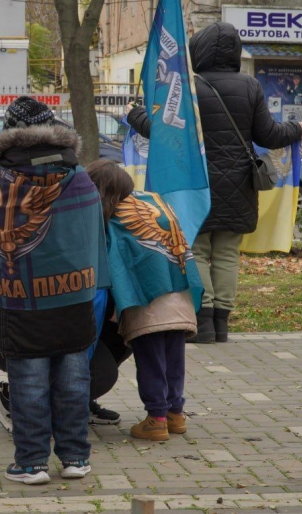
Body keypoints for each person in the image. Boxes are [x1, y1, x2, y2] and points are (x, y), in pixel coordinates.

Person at [127, 22, 302, 343]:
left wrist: (134, 115)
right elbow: (268, 135)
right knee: (226, 253)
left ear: (199, 50)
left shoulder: (186, 87)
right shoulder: (250, 87)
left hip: (193, 186)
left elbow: (161, 132)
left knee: (195, 250)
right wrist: (296, 128)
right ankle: (222, 324)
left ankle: (204, 321)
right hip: (239, 187)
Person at [0, 97, 109, 485]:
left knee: (28, 382)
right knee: (74, 381)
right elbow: (95, 234)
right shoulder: (78, 176)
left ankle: (31, 464)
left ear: (9, 135)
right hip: (75, 296)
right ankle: (76, 458)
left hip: (20, 298)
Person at [87, 159, 202, 442]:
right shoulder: (153, 201)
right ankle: (176, 414)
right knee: (174, 360)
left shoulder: (113, 216)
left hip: (149, 305)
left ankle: (156, 419)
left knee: (151, 361)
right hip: (179, 297)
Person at [0, 286, 128, 435]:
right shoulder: (94, 274)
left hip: (34, 318)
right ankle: (15, 403)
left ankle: (76, 403)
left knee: (131, 332)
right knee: (99, 374)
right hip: (0, 329)